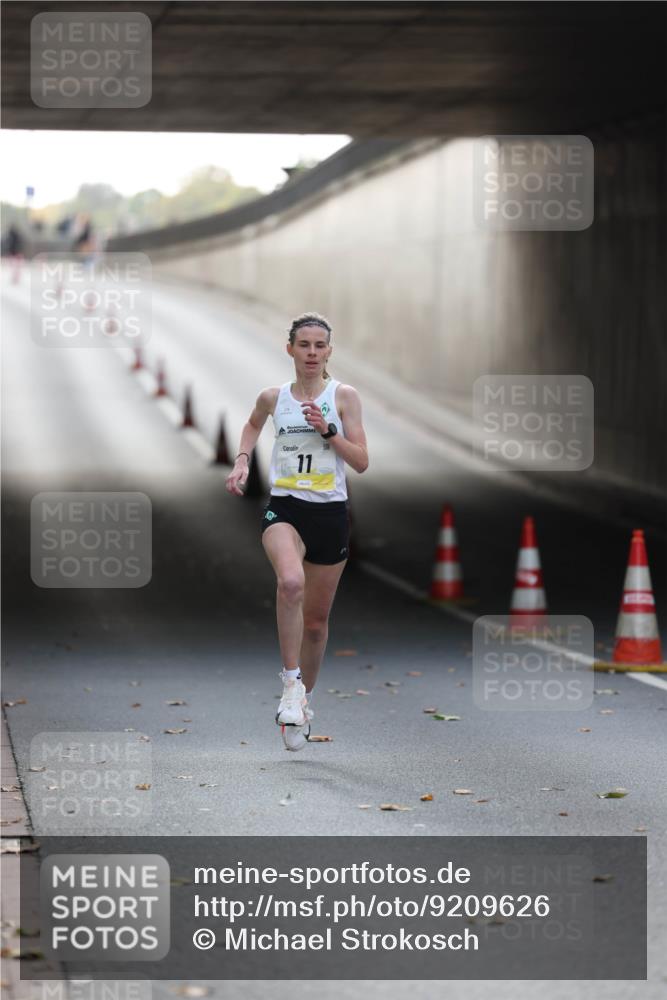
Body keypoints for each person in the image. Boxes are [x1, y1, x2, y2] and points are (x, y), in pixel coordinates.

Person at [225, 312, 369, 751]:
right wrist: (243, 459)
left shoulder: (343, 397)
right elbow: (252, 424)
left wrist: (329, 432)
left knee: (317, 625)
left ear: (329, 351)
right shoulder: (274, 397)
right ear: (289, 349)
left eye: (319, 345)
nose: (311, 352)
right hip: (285, 507)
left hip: (330, 513)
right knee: (290, 583)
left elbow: (361, 461)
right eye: (303, 344)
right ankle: (290, 684)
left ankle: (303, 701)